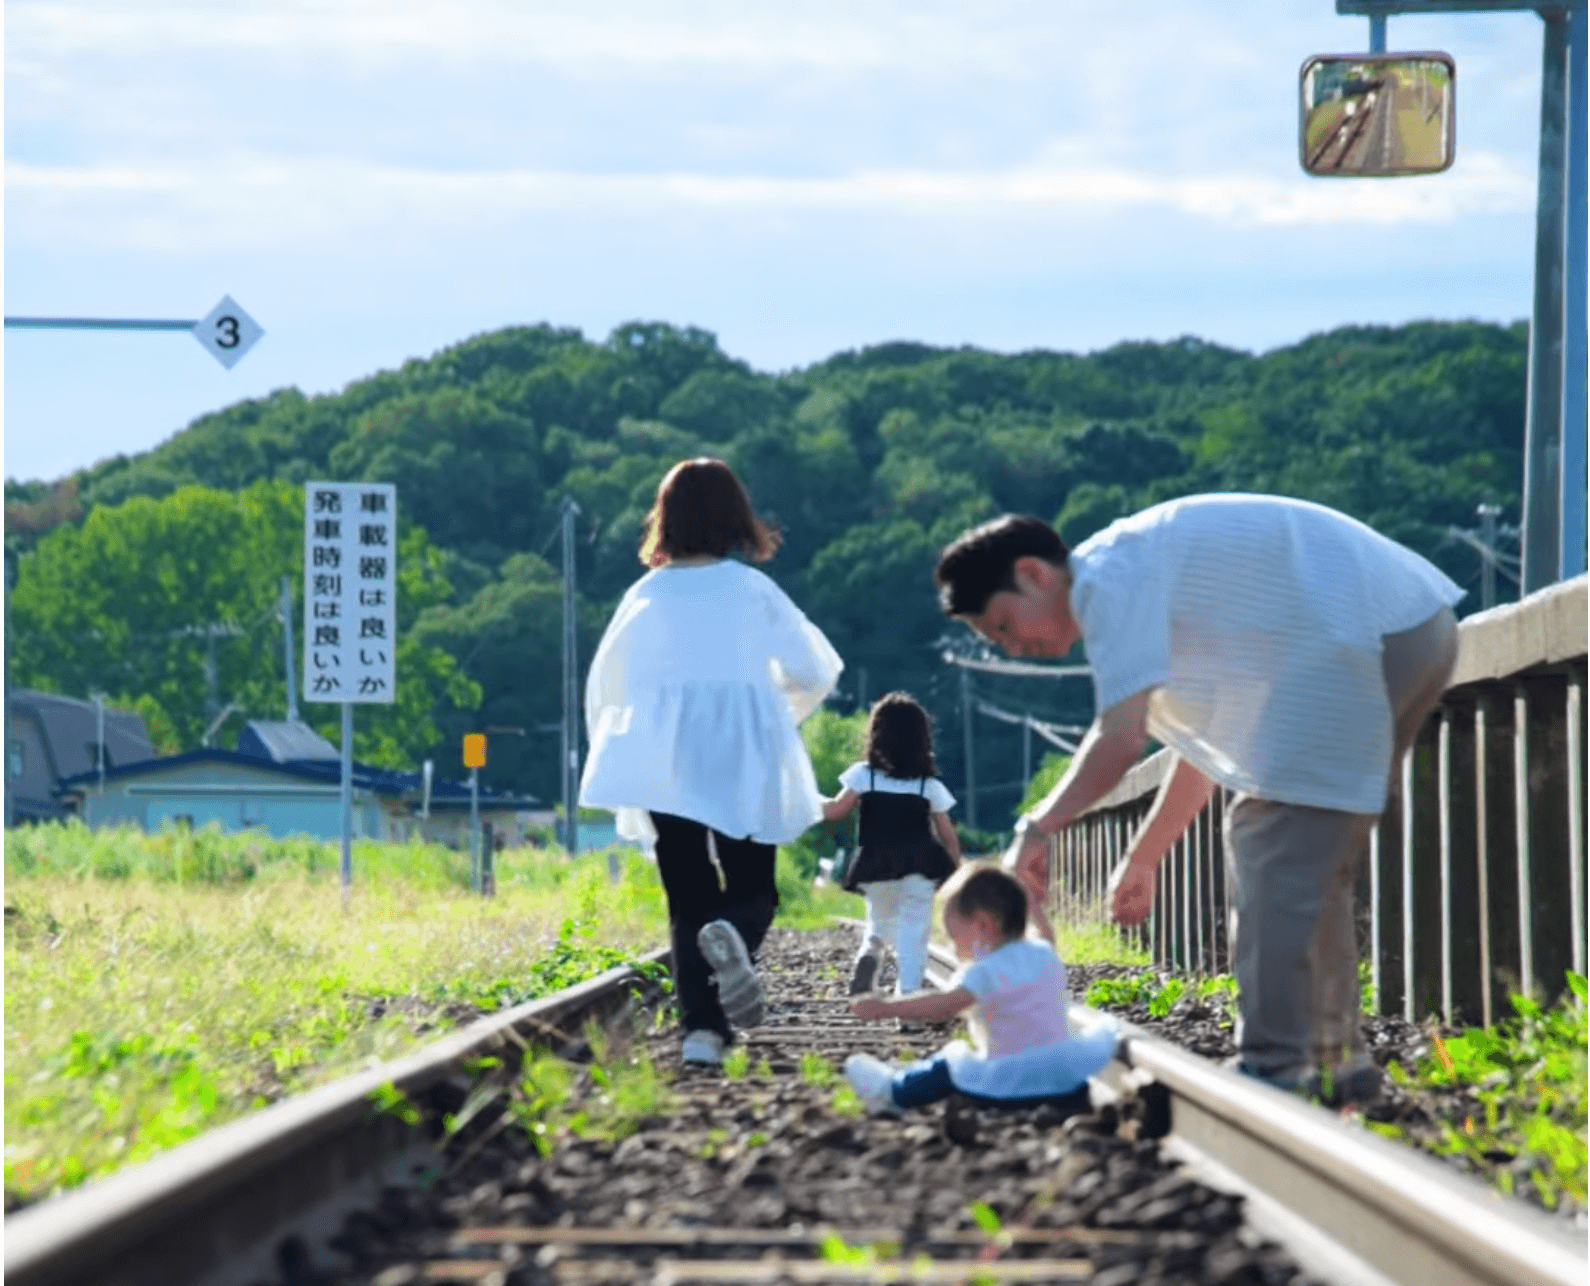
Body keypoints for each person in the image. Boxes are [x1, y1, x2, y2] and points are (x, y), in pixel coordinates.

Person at [932, 494, 1463, 1104]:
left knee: (1273, 841)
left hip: (1370, 632)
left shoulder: (1107, 581)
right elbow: (1217, 745)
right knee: (1303, 853)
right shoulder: (1142, 580)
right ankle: (1337, 1065)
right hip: (1404, 628)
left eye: (1002, 624)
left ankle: (1277, 1067)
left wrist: (1039, 824)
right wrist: (1146, 853)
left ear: (1033, 573)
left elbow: (1120, 737)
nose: (1008, 646)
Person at [580, 458, 843, 1067]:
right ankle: (735, 940)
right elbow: (814, 671)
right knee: (754, 887)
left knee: (687, 895)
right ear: (736, 518)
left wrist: (621, 746)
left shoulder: (644, 595)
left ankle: (703, 1034)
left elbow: (608, 684)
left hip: (665, 761)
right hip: (744, 752)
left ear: (663, 521)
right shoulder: (753, 590)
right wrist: (774, 714)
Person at [843, 863, 1117, 1115]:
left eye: (954, 935)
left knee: (948, 1066)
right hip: (1066, 1083)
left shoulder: (985, 971)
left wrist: (886, 1007)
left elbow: (946, 1004)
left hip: (1010, 1085)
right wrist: (1029, 898)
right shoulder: (1044, 953)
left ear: (982, 924)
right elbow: (1046, 933)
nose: (952, 947)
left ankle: (892, 1091)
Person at [821, 691, 962, 996]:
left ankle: (870, 951)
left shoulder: (864, 777)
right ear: (921, 739)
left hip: (876, 868)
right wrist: (954, 877)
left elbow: (834, 810)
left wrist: (802, 800)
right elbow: (949, 839)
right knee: (913, 936)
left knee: (879, 920)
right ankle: (908, 999)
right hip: (920, 871)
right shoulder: (929, 786)